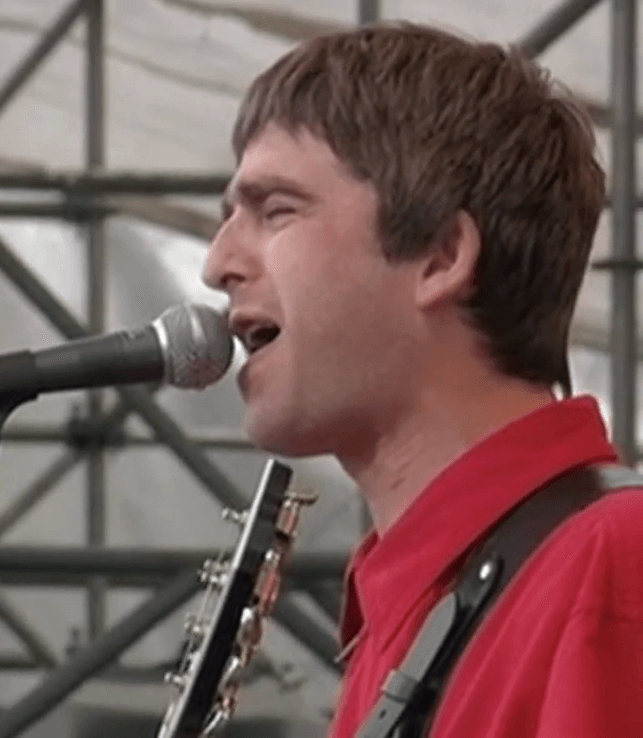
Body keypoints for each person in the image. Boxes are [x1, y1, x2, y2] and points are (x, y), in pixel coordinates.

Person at [202, 22, 643, 738]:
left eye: (276, 210)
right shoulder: (412, 602)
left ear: (441, 256)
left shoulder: (613, 567)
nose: (217, 262)